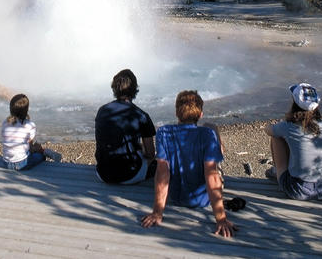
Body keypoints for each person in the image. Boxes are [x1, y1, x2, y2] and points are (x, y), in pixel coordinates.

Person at [141, 90, 236, 238]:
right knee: (211, 127)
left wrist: (157, 212)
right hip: (202, 199)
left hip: (176, 196)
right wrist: (221, 219)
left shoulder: (163, 133)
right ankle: (218, 151)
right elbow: (211, 177)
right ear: (200, 115)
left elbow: (162, 173)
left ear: (177, 113)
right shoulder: (207, 134)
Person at [265, 82, 322, 201]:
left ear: (294, 104)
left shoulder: (289, 127)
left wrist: (276, 124)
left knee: (276, 137)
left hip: (300, 190)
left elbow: (268, 130)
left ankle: (278, 171)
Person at [94, 69, 156, 184]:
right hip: (129, 175)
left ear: (114, 88)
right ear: (135, 88)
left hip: (102, 173)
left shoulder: (102, 111)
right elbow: (150, 153)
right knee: (158, 162)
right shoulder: (141, 115)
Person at [1, 93, 61, 171]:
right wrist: (38, 148)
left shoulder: (5, 123)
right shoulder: (29, 125)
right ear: (26, 110)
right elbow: (30, 148)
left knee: (30, 147)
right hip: (22, 164)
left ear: (11, 108)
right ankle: (46, 152)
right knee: (40, 156)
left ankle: (45, 151)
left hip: (6, 163)